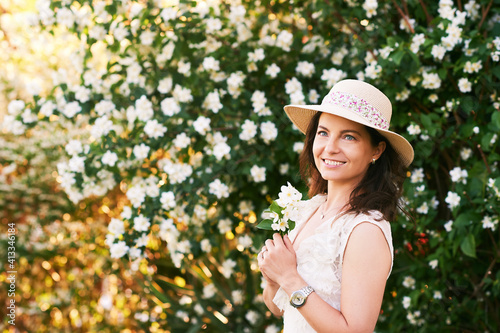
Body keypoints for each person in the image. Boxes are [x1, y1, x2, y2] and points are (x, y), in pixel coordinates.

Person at [257, 79, 414, 332]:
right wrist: (273, 279)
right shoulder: (310, 210)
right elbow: (279, 309)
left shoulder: (364, 230)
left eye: (348, 137)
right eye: (323, 133)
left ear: (377, 150)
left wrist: (289, 277)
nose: (330, 148)